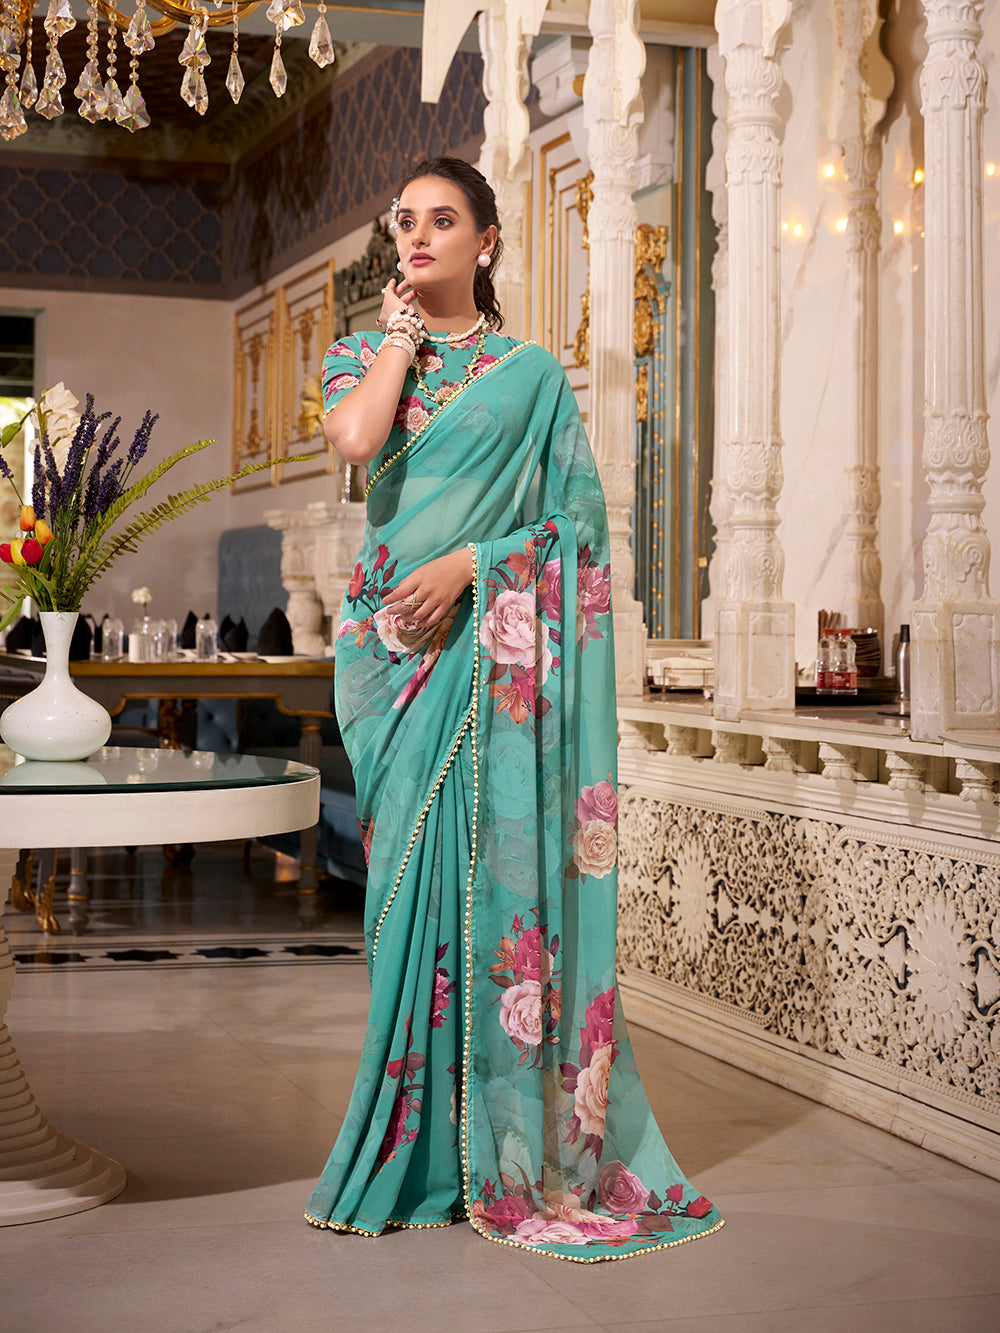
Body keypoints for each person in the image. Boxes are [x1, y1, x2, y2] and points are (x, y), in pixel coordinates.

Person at [306, 157, 723, 1262]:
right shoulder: (360, 355)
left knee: (479, 899)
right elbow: (356, 444)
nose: (417, 235)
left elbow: (577, 529)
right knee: (403, 902)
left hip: (477, 650)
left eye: (442, 220)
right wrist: (398, 339)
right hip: (388, 662)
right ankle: (411, 1148)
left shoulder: (533, 377)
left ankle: (480, 1151)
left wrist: (472, 567)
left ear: (486, 241)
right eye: (405, 221)